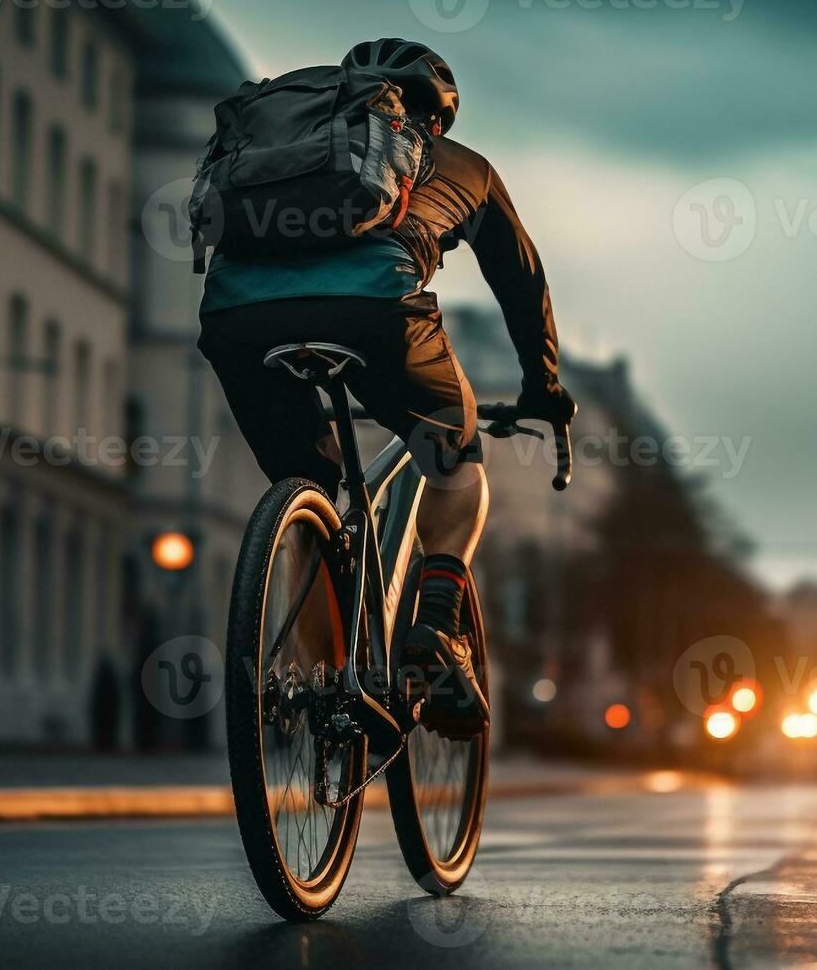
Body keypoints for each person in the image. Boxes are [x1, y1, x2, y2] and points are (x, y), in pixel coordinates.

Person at [197, 39, 575, 734]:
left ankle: (327, 693)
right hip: (373, 313)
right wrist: (542, 388)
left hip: (233, 317)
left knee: (309, 483)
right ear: (437, 119)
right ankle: (436, 623)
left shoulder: (289, 134)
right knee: (454, 460)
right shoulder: (466, 169)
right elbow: (522, 283)